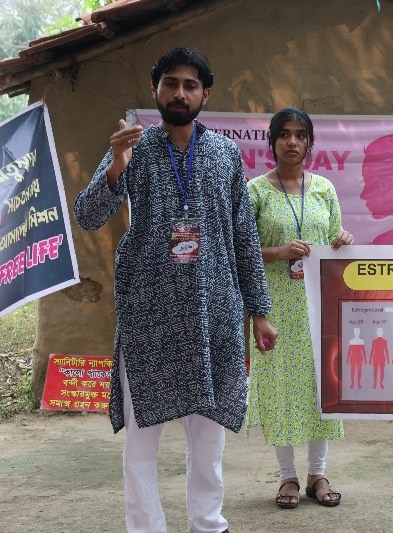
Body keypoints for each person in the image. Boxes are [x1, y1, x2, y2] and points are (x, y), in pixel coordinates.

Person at [73, 47, 278, 533]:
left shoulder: (226, 155)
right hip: (150, 316)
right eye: (170, 83)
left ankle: (208, 524)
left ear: (205, 93)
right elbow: (87, 215)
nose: (179, 92)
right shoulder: (132, 149)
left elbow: (244, 239)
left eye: (189, 85)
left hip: (214, 315)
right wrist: (116, 166)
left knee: (208, 442)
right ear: (155, 91)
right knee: (141, 441)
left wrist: (260, 311)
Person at [245, 106, 353, 509]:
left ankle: (318, 474)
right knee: (279, 391)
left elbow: (331, 245)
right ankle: (287, 478)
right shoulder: (254, 191)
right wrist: (279, 251)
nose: (292, 142)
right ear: (272, 141)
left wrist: (342, 239)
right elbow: (240, 252)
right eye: (284, 134)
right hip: (271, 308)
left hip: (317, 307)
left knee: (321, 388)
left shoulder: (324, 189)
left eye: (300, 135)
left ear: (310, 143)